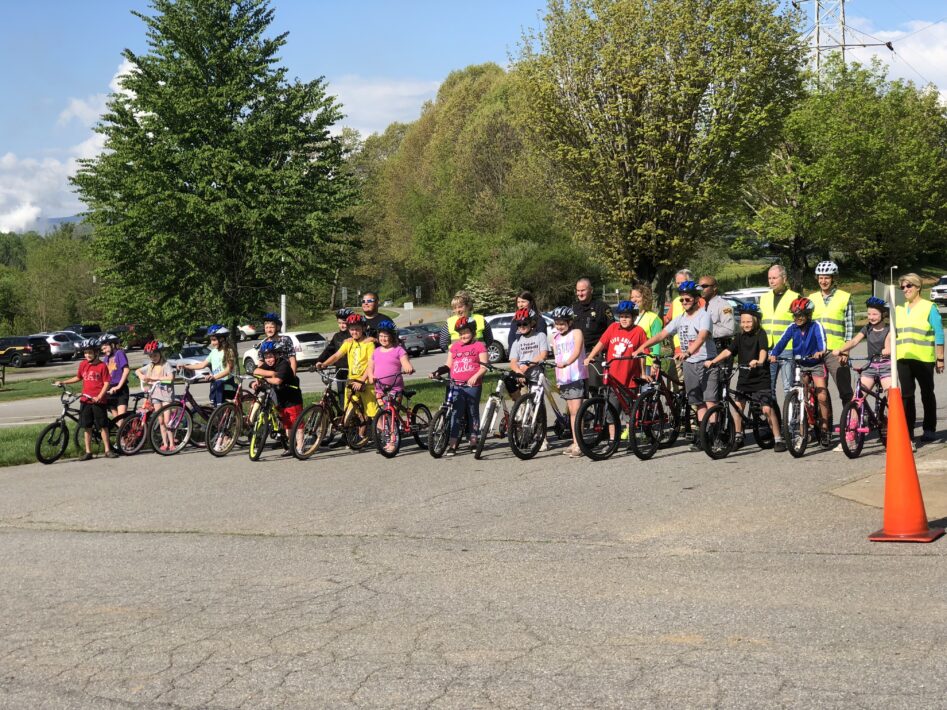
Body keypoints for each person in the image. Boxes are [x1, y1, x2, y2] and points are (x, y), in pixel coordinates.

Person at [637, 282, 718, 449]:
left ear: (696, 299)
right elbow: (662, 334)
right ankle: (704, 436)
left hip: (706, 362)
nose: (684, 302)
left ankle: (716, 436)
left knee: (710, 401)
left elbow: (702, 336)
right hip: (689, 364)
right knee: (698, 402)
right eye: (682, 300)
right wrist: (642, 347)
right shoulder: (680, 318)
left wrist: (688, 352)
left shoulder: (703, 316)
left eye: (687, 299)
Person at [703, 303, 785, 452]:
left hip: (760, 377)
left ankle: (778, 438)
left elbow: (763, 350)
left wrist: (759, 361)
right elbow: (729, 351)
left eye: (748, 321)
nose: (745, 324)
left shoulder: (761, 334)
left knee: (766, 409)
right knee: (738, 407)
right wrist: (713, 361)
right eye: (743, 322)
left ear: (755, 321)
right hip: (744, 378)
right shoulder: (739, 336)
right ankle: (738, 436)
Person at [769, 298, 831, 441]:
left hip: (815, 364)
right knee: (802, 394)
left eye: (801, 315)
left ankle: (824, 429)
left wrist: (820, 351)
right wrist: (774, 354)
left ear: (808, 315)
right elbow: (782, 342)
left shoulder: (816, 326)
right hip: (800, 364)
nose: (797, 318)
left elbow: (822, 342)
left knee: (822, 396)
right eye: (795, 315)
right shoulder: (792, 327)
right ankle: (803, 432)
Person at [586, 300, 648, 442]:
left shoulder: (639, 331)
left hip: (629, 379)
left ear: (634, 317)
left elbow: (643, 354)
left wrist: (643, 373)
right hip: (613, 379)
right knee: (611, 412)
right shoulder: (613, 328)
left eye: (627, 316)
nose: (624, 319)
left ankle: (631, 437)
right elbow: (601, 343)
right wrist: (590, 356)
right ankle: (613, 440)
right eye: (621, 316)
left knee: (629, 411)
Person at [894, 273, 944, 446]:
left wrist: (940, 357)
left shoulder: (929, 307)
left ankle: (929, 429)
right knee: (907, 396)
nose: (905, 289)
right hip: (903, 358)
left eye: (909, 286)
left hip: (923, 358)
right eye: (902, 287)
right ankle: (908, 432)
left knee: (926, 393)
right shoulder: (899, 308)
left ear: (918, 287)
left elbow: (939, 332)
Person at [431, 316, 488, 456]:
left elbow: (484, 367)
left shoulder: (479, 346)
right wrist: (437, 372)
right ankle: (452, 445)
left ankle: (473, 441)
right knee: (456, 414)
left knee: (472, 413)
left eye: (466, 332)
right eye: (461, 333)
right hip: (456, 386)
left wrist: (475, 377)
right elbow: (448, 365)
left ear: (473, 332)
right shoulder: (455, 347)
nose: (463, 336)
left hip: (472, 386)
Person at [316, 313, 376, 446]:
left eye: (357, 329)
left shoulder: (369, 344)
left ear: (363, 328)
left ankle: (381, 436)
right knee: (350, 410)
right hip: (351, 381)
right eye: (352, 329)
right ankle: (358, 435)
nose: (354, 332)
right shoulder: (349, 343)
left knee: (371, 411)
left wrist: (362, 380)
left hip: (365, 382)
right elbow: (337, 355)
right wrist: (323, 364)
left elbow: (371, 365)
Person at [54, 338, 118, 460]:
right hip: (85, 400)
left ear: (96, 353)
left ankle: (108, 450)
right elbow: (78, 377)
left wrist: (100, 396)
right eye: (85, 353)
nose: (87, 355)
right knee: (87, 426)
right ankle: (88, 452)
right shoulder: (83, 364)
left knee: (103, 426)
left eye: (90, 353)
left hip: (98, 401)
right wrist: (64, 382)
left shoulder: (102, 366)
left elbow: (106, 383)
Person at [808, 261, 854, 407]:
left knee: (845, 390)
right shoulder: (811, 298)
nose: (823, 281)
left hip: (837, 351)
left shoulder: (844, 297)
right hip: (817, 351)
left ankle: (851, 418)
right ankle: (824, 421)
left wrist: (845, 351)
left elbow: (850, 327)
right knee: (819, 392)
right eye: (821, 278)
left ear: (833, 278)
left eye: (827, 277)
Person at [366, 319, 415, 453]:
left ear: (392, 336)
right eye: (381, 336)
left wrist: (408, 367)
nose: (383, 338)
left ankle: (392, 441)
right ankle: (386, 439)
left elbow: (405, 362)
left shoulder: (398, 350)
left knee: (391, 415)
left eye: (386, 336)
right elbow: (370, 366)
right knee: (383, 415)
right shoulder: (376, 351)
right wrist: (370, 375)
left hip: (395, 388)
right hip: (380, 389)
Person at [508, 308, 551, 450]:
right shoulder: (517, 341)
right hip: (523, 378)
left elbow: (543, 354)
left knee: (538, 407)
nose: (522, 327)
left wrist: (528, 365)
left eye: (524, 324)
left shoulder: (540, 336)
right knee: (524, 408)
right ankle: (526, 434)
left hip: (536, 377)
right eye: (519, 325)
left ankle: (542, 438)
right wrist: (518, 372)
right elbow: (513, 362)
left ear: (532, 323)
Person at [253, 340, 303, 456]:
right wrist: (271, 373)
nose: (268, 360)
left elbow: (277, 381)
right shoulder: (270, 365)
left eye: (270, 356)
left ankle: (300, 447)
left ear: (277, 355)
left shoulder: (283, 364)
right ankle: (292, 446)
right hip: (281, 397)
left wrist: (264, 378)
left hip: (292, 397)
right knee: (287, 423)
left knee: (296, 422)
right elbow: (256, 370)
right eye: (266, 357)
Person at [551, 306, 587, 458]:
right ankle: (575, 441)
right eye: (557, 323)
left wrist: (567, 363)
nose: (559, 326)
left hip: (576, 375)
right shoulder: (555, 337)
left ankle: (579, 444)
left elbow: (577, 351)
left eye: (562, 323)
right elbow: (556, 358)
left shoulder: (576, 333)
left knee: (576, 412)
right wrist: (557, 378)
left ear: (570, 322)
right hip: (564, 378)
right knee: (571, 412)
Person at [834, 297, 892, 391]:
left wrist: (888, 350)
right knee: (858, 395)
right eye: (869, 314)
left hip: (886, 367)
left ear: (884, 314)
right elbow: (854, 341)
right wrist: (841, 349)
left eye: (874, 314)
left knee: (891, 395)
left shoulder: (889, 329)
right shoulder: (867, 328)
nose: (871, 317)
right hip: (871, 366)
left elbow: (889, 343)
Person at [760, 264, 800, 397]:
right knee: (768, 387)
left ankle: (792, 410)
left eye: (774, 278)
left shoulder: (795, 297)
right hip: (769, 347)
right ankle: (773, 411)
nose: (771, 281)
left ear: (784, 278)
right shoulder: (764, 298)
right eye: (769, 278)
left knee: (788, 387)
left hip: (787, 347)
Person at [177, 325, 237, 407]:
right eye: (211, 340)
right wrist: (186, 366)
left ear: (222, 339)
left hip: (226, 384)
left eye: (214, 340)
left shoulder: (229, 351)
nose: (212, 343)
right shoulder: (214, 352)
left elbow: (228, 370)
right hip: (216, 383)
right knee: (214, 406)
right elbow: (202, 365)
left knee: (221, 407)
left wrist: (214, 377)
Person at [572, 278, 613, 394]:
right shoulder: (573, 308)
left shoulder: (602, 308)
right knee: (577, 390)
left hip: (595, 354)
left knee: (595, 388)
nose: (580, 293)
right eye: (578, 291)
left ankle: (598, 405)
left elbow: (611, 331)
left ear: (591, 290)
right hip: (577, 354)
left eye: (583, 290)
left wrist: (599, 351)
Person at [135, 341, 177, 452]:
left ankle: (172, 443)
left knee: (167, 421)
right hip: (155, 395)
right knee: (161, 420)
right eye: (151, 356)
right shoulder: (150, 366)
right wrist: (141, 376)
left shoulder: (166, 365)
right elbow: (137, 371)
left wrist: (155, 379)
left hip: (166, 395)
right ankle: (165, 443)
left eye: (155, 355)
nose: (153, 358)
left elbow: (171, 378)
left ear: (160, 354)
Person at [699, 275, 736, 353]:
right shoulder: (703, 307)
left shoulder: (723, 306)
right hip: (707, 349)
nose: (701, 289)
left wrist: (707, 332)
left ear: (714, 287)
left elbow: (730, 330)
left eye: (704, 286)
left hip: (720, 349)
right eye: (699, 287)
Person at [630, 283, 663, 369]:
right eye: (632, 297)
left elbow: (657, 342)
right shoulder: (628, 317)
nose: (634, 300)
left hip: (647, 362)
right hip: (630, 361)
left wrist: (655, 362)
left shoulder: (653, 318)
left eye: (637, 296)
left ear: (645, 298)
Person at [99, 334, 130, 417]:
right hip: (110, 390)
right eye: (102, 349)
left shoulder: (119, 353)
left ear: (112, 345)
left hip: (121, 390)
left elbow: (126, 370)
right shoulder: (106, 358)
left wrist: (118, 386)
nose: (104, 351)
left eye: (105, 348)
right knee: (116, 418)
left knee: (121, 417)